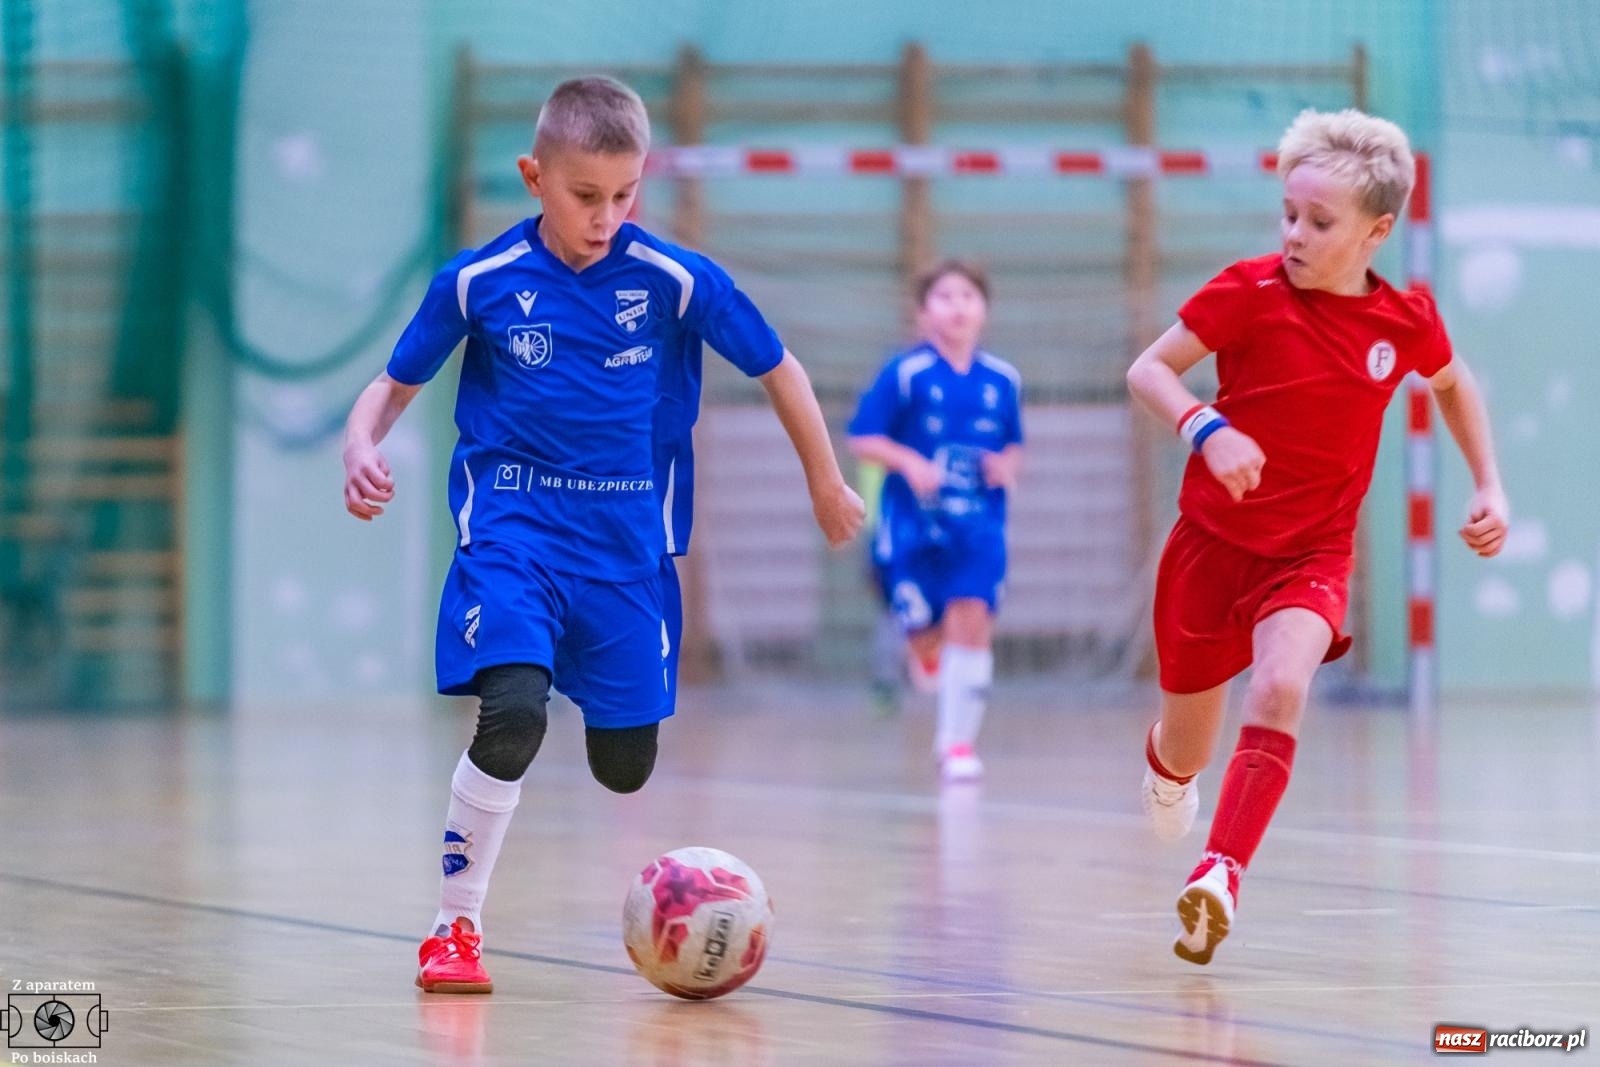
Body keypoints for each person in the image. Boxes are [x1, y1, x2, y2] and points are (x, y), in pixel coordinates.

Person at [341, 76, 864, 993]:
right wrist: (359, 443)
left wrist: (825, 479)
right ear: (533, 176)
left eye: (625, 195)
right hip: (514, 529)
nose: (606, 217)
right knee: (512, 717)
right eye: (586, 196)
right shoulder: (479, 282)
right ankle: (452, 928)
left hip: (626, 547)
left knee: (625, 768)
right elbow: (392, 384)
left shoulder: (674, 280)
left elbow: (781, 369)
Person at [1124, 108, 1509, 965]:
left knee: (1279, 689)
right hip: (1208, 552)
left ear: (1376, 231)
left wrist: (1489, 483)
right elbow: (1148, 368)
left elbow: (1452, 382)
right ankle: (1167, 769)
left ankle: (1221, 872)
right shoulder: (1248, 292)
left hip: (1311, 556)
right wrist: (1204, 428)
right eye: (1289, 215)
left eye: (1319, 222)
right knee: (1186, 746)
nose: (1295, 234)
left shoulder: (1402, 320)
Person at [848, 260, 1024, 782]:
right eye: (945, 297)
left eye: (968, 296)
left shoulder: (1003, 379)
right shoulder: (904, 373)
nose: (958, 306)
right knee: (926, 634)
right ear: (924, 312)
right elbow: (863, 437)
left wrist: (1005, 467)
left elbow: (1013, 444)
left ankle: (956, 745)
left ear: (984, 310)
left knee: (972, 618)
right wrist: (909, 463)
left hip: (978, 528)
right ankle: (924, 650)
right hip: (912, 527)